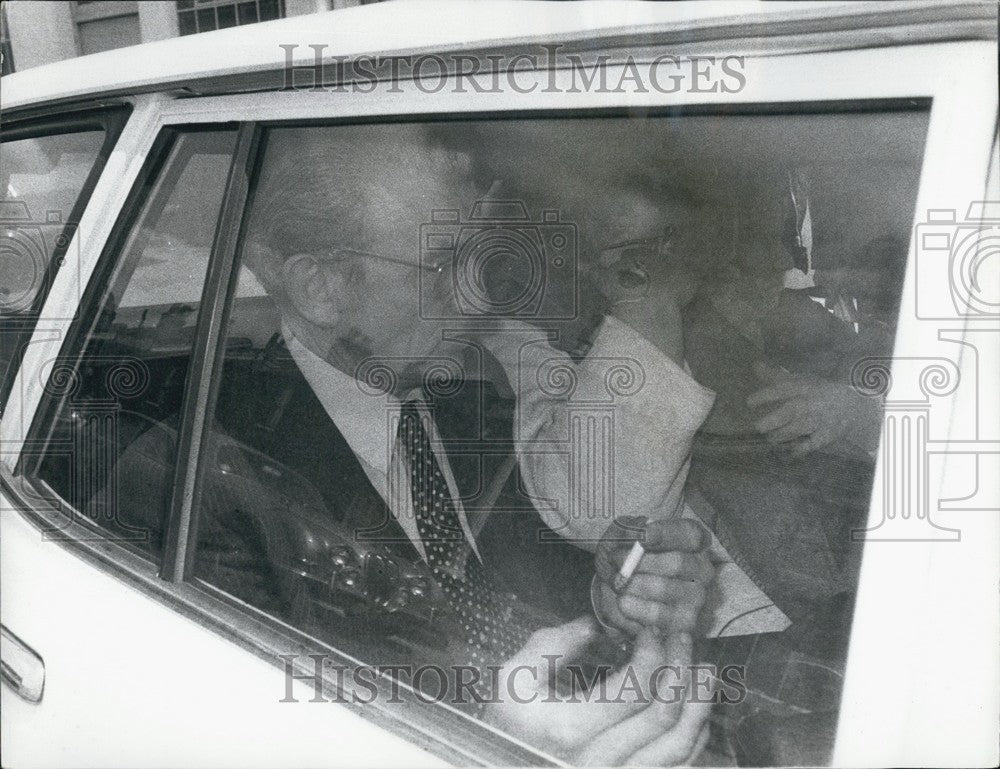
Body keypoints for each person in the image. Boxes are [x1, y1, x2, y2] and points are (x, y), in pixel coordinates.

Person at [239, 122, 715, 764]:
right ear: (323, 287)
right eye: (444, 265)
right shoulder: (212, 474)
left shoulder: (472, 394)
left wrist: (613, 599)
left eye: (479, 257)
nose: (481, 296)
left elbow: (514, 587)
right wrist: (492, 747)